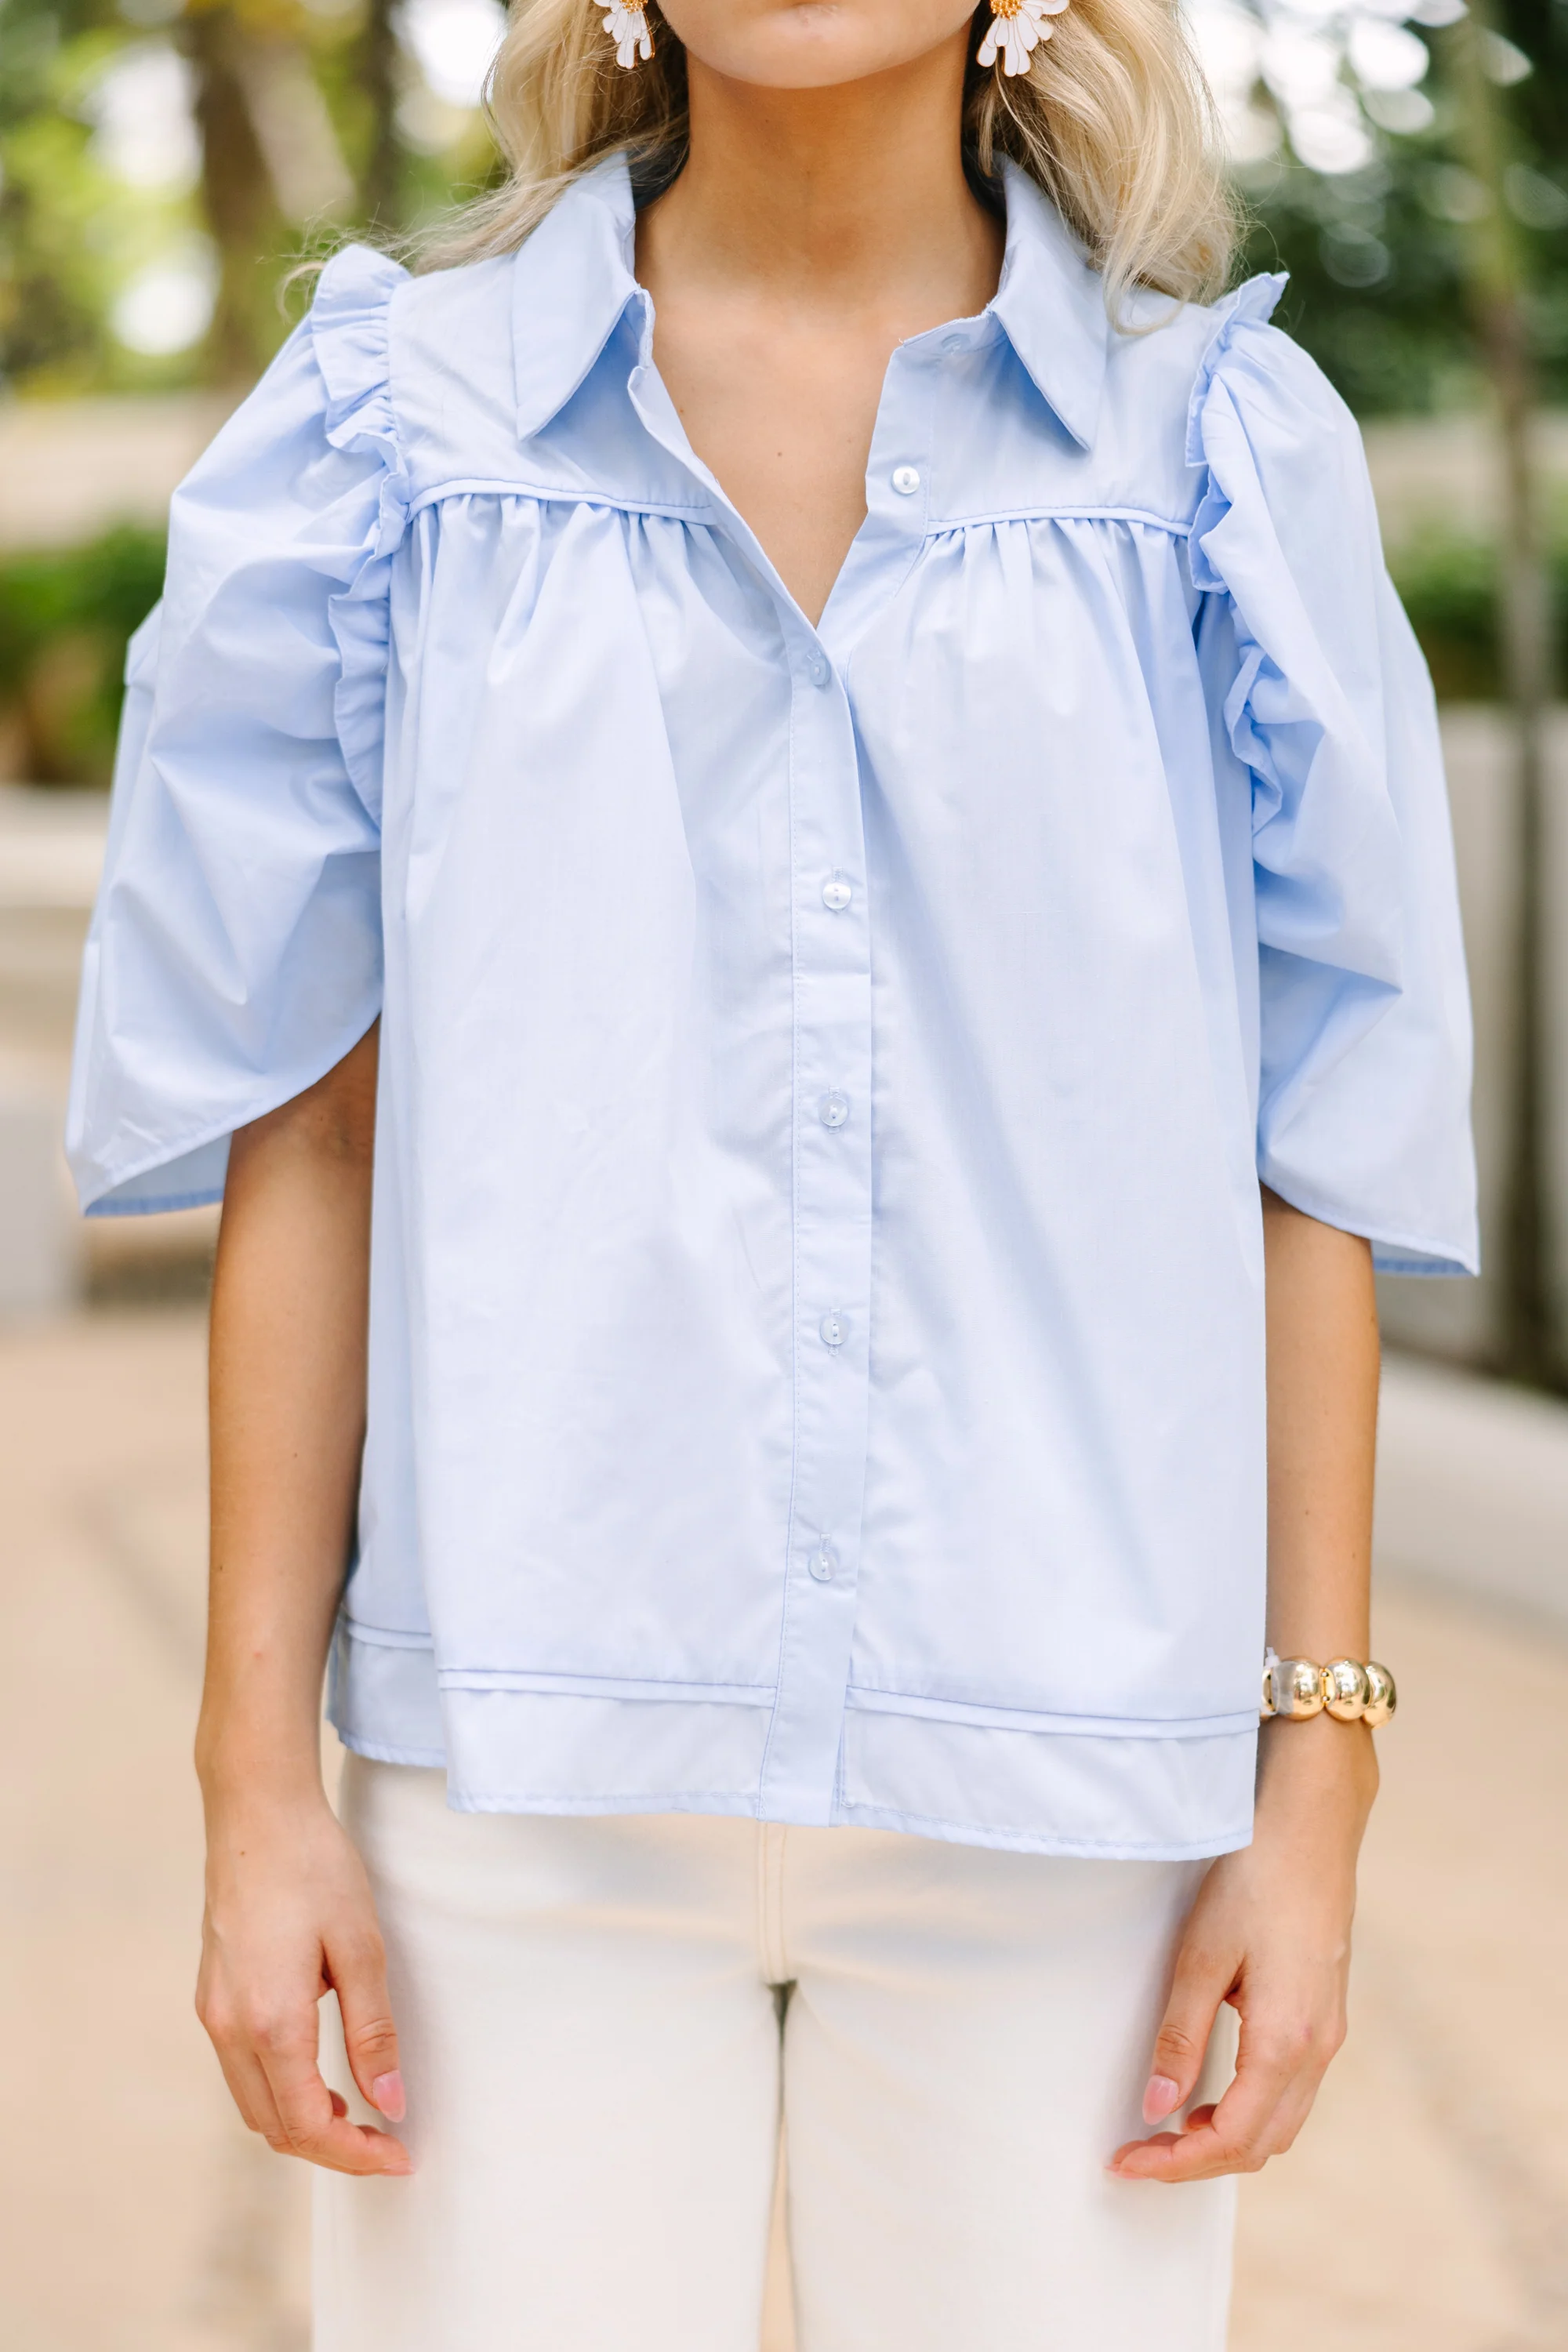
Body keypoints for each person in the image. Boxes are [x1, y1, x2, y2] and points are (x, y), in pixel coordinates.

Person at [68, 0, 1477, 2343]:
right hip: (512, 1796)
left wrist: (1309, 1783)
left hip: (1070, 1807)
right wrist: (256, 1788)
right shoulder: (382, 439)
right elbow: (307, 1128)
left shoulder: (1217, 455)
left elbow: (1302, 1159)